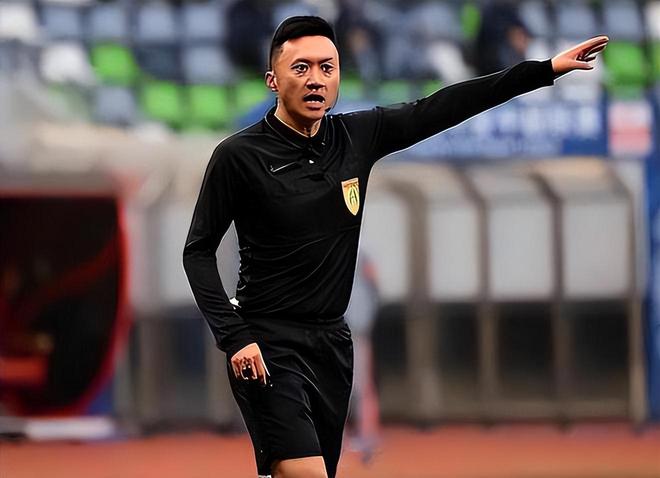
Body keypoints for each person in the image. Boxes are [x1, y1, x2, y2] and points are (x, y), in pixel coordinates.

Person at [182, 15, 608, 478]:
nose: (315, 79)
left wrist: (543, 70)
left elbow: (442, 107)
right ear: (272, 80)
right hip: (268, 345)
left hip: (332, 345)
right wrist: (235, 337)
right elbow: (197, 251)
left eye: (327, 67)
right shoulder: (238, 156)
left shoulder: (356, 137)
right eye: (300, 68)